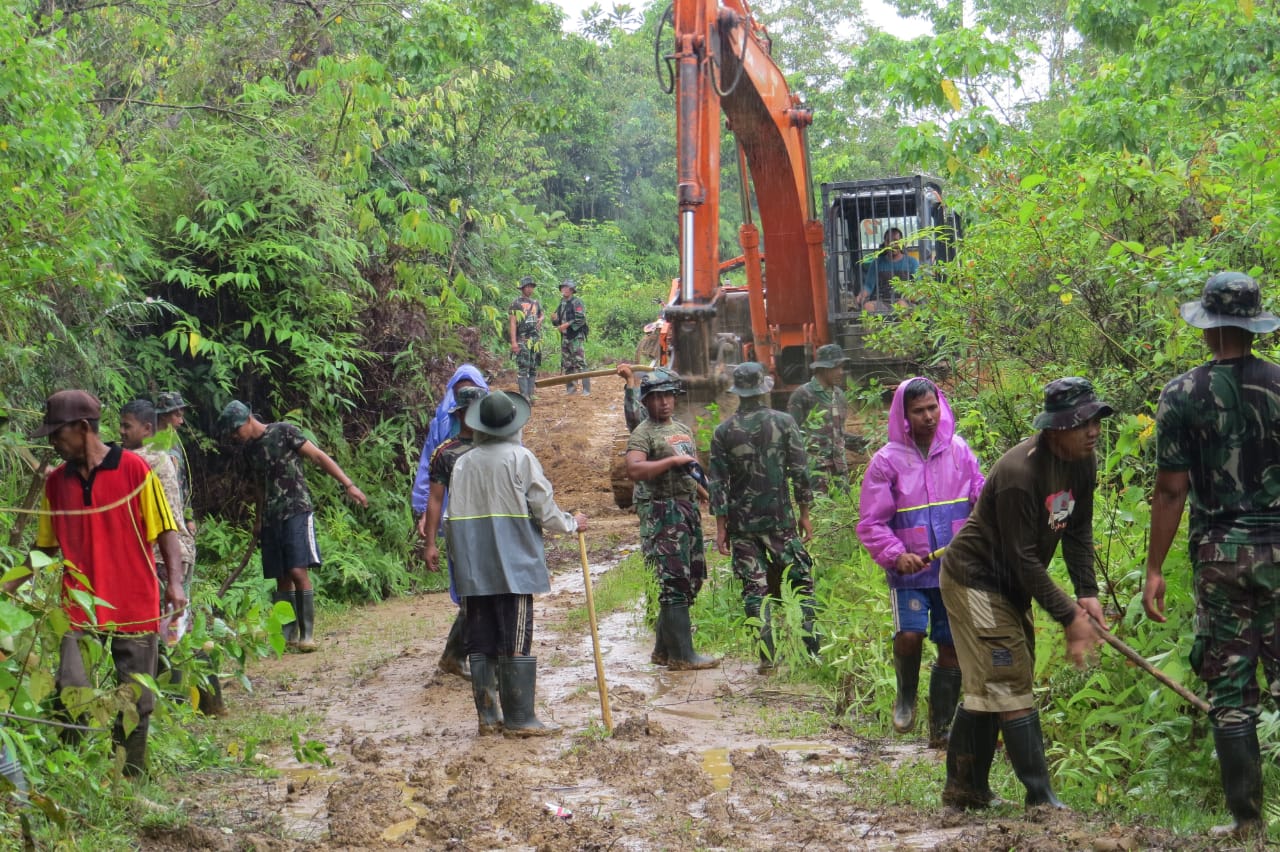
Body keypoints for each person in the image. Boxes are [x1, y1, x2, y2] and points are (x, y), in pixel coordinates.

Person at [1142, 271, 1280, 839]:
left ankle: (1246, 823)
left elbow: (1171, 490)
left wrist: (1153, 567)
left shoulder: (1180, 395)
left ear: (1208, 326)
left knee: (1230, 690)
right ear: (1251, 324)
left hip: (1220, 556)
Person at [939, 377, 1110, 810]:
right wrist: (1068, 616)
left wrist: (1086, 591)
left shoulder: (1082, 462)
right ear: (1054, 428)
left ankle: (964, 789)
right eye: (1081, 423)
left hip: (1011, 587)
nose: (1092, 431)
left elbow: (1077, 529)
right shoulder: (1021, 473)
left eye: (1096, 420)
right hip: (975, 580)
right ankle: (1042, 798)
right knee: (1009, 675)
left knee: (995, 681)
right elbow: (1023, 558)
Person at [12, 390, 186, 777]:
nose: (54, 444)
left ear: (84, 428)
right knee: (70, 688)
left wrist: (175, 584)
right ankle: (71, 774)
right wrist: (8, 586)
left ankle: (129, 778)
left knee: (136, 698)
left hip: (135, 600)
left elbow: (166, 532)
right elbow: (44, 548)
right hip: (80, 607)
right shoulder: (56, 483)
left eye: (58, 434)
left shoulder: (135, 471)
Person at [446, 391, 586, 737]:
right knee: (515, 638)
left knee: (481, 641)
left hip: (473, 568)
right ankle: (520, 718)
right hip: (514, 567)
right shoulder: (521, 458)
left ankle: (488, 718)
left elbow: (451, 520)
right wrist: (572, 523)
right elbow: (544, 508)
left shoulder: (463, 462)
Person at [856, 377, 984, 748]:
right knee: (910, 636)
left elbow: (981, 495)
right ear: (905, 415)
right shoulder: (886, 462)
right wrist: (897, 555)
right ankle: (906, 696)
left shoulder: (959, 451)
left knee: (952, 647)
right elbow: (871, 522)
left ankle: (941, 729)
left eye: (933, 408)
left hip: (955, 571)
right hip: (910, 575)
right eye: (919, 411)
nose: (928, 416)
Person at [217, 400, 368, 652]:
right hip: (270, 517)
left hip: (296, 509)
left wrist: (348, 484)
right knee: (281, 576)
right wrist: (258, 520)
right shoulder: (249, 451)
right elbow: (259, 486)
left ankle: (307, 634)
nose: (235, 436)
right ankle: (287, 634)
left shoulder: (284, 431)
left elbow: (318, 456)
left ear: (247, 419)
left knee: (298, 571)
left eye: (236, 430)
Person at [709, 362, 817, 673]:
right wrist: (805, 514)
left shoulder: (723, 432)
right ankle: (813, 653)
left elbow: (717, 483)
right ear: (763, 388)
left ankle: (767, 660)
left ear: (738, 392)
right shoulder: (783, 423)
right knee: (802, 583)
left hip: (741, 526)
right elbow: (800, 472)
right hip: (780, 521)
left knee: (754, 591)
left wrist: (720, 528)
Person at [119, 399, 224, 715]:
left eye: (127, 426)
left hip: (167, 554)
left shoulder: (146, 458)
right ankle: (208, 701)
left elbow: (107, 464)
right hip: (173, 552)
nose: (121, 432)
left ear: (148, 428)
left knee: (173, 629)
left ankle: (185, 702)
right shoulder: (156, 455)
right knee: (176, 627)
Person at [625, 368, 719, 670]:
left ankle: (663, 650)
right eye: (657, 398)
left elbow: (690, 466)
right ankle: (682, 655)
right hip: (662, 512)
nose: (664, 402)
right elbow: (635, 470)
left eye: (668, 396)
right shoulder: (643, 433)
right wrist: (671, 462)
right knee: (673, 580)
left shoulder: (681, 428)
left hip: (686, 508)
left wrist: (702, 489)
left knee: (692, 576)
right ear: (646, 402)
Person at [410, 365, 490, 677]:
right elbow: (430, 484)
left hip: (488, 521)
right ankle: (463, 655)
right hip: (457, 520)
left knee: (484, 589)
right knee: (472, 589)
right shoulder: (443, 442)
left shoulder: (495, 436)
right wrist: (426, 523)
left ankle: (463, 653)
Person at [787, 343, 867, 492]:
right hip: (815, 471)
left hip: (839, 470)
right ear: (824, 368)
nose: (841, 372)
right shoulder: (802, 395)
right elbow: (793, 435)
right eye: (837, 367)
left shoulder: (839, 395)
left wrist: (865, 443)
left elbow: (837, 434)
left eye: (841, 367)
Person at [155, 391, 197, 538]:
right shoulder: (147, 442)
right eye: (177, 416)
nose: (181, 421)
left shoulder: (175, 442)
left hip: (177, 513)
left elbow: (183, 481)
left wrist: (189, 518)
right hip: (156, 513)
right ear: (165, 415)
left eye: (182, 416)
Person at [858, 226, 919, 308]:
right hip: (883, 302)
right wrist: (861, 296)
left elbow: (919, 286)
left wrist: (910, 297)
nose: (892, 244)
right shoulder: (877, 263)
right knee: (868, 306)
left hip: (906, 302)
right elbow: (868, 286)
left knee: (901, 305)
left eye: (895, 241)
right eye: (888, 241)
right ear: (885, 243)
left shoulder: (912, 262)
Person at [509, 276, 544, 401]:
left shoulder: (535, 303)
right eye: (528, 286)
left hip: (535, 339)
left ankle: (531, 394)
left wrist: (541, 319)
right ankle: (524, 396)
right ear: (523, 288)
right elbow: (512, 323)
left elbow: (541, 314)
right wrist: (513, 342)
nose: (530, 289)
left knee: (533, 367)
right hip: (522, 339)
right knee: (523, 368)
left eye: (531, 287)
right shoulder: (516, 303)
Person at [554, 279, 590, 395]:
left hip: (575, 337)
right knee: (568, 364)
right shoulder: (562, 302)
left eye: (567, 288)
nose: (564, 290)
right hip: (565, 337)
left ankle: (586, 389)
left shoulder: (577, 302)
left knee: (580, 363)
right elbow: (558, 320)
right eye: (563, 287)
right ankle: (571, 389)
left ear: (572, 290)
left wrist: (567, 324)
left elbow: (581, 318)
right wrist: (554, 320)